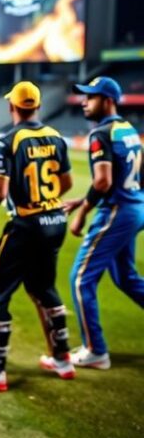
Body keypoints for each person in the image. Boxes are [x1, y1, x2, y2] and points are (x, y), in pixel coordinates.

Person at [0, 81, 75, 392]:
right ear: (36, 106)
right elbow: (67, 182)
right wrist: (47, 203)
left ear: (12, 107)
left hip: (25, 227)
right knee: (44, 288)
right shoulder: (56, 137)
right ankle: (63, 360)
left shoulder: (7, 141)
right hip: (55, 223)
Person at [64, 76, 144, 370]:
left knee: (81, 278)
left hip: (116, 212)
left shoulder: (101, 133)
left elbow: (103, 180)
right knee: (125, 277)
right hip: (135, 208)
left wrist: (82, 212)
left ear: (108, 100)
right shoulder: (129, 129)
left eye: (91, 97)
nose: (84, 101)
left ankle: (95, 350)